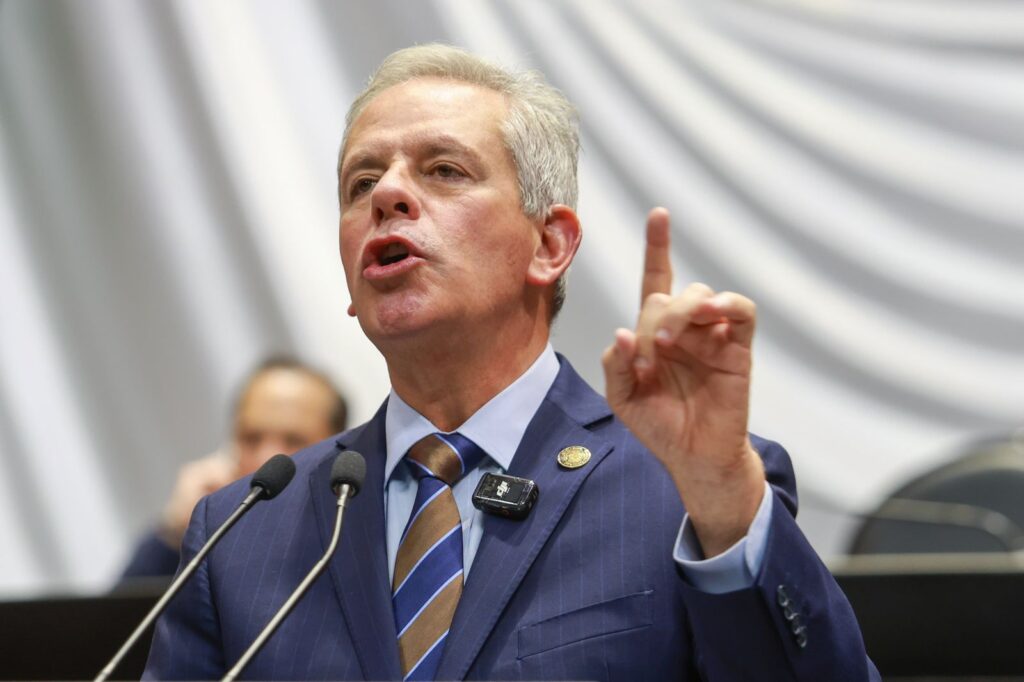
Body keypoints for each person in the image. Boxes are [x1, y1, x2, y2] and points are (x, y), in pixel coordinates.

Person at [145, 45, 879, 680]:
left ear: (549, 245)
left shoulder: (683, 492)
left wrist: (721, 495)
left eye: (443, 170)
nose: (388, 194)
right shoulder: (243, 534)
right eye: (361, 184)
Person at [120, 356, 347, 579]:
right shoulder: (214, 539)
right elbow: (129, 605)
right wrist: (177, 533)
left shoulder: (353, 537)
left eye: (293, 440)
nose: (266, 458)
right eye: (251, 438)